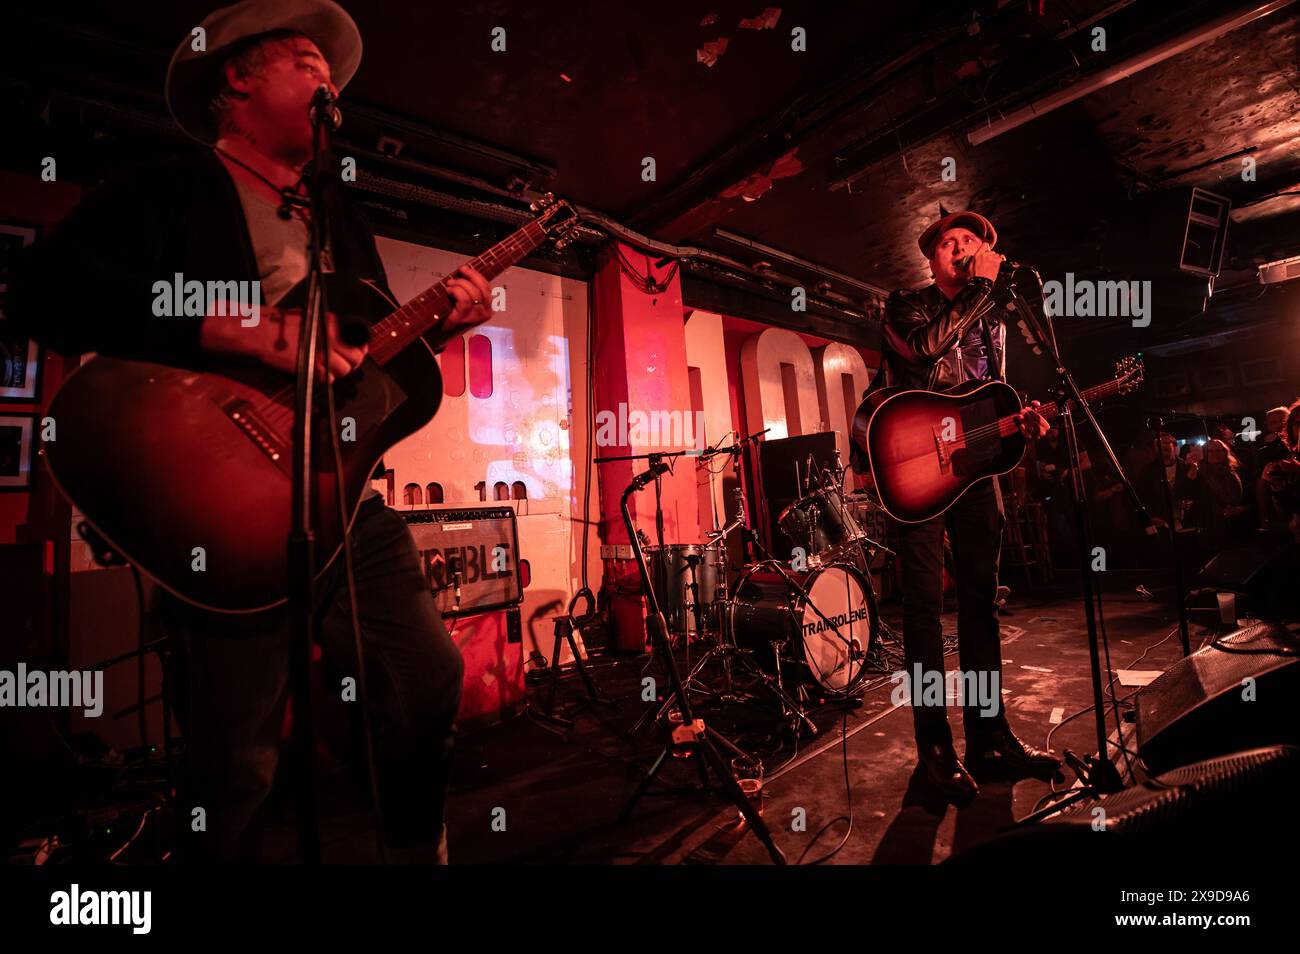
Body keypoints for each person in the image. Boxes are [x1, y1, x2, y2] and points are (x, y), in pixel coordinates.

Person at [6, 0, 494, 863]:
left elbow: (369, 353)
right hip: (222, 508)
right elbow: (42, 291)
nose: (328, 79)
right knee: (236, 760)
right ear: (237, 77)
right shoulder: (169, 187)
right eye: (305, 58)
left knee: (423, 680)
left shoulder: (338, 217)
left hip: (339, 497)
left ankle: (419, 851)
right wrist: (232, 326)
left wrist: (443, 328)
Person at [854, 207, 1061, 802]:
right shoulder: (906, 304)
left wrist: (1021, 424)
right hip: (917, 466)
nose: (961, 247)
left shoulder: (992, 323)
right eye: (950, 242)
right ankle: (934, 754)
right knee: (923, 611)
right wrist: (981, 289)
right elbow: (920, 353)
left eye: (971, 240)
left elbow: (985, 400)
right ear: (932, 257)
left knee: (980, 605)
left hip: (974, 469)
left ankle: (989, 738)